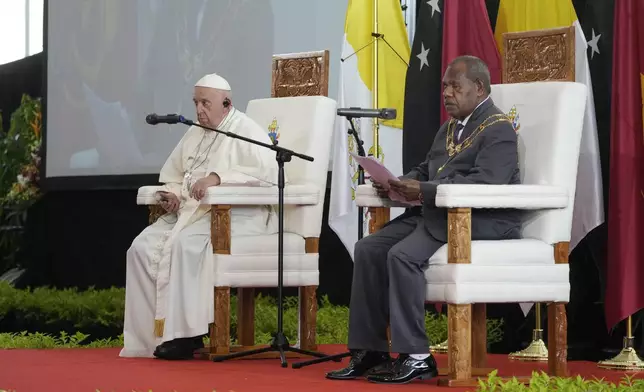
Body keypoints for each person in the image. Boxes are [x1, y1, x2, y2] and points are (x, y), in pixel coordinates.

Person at [326, 56, 521, 384]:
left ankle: (416, 356)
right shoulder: (449, 127)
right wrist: (398, 181)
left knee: (401, 256)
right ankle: (370, 350)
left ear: (479, 88)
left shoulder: (499, 129)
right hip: (436, 211)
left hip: (478, 219)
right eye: (445, 86)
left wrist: (424, 189)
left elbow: (487, 184)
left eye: (454, 86)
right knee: (368, 249)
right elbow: (428, 169)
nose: (446, 93)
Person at [119, 73, 279, 360]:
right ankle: (151, 336)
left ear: (227, 103)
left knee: (188, 246)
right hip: (193, 213)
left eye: (206, 102)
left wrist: (217, 178)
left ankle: (186, 336)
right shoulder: (194, 131)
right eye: (196, 102)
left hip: (241, 215)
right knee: (140, 249)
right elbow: (175, 174)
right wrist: (173, 195)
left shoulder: (246, 130)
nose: (199, 110)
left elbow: (267, 174)